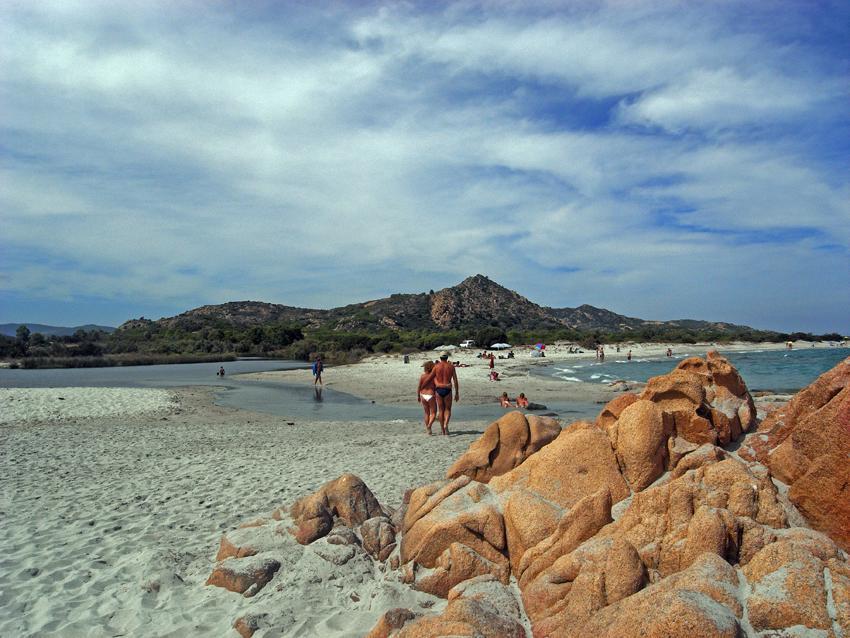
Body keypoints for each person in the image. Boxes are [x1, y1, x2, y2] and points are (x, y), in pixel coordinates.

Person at [431, 350, 459, 435]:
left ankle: (442, 430)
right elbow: (455, 380)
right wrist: (457, 393)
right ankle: (446, 424)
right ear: (447, 357)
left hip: (439, 389)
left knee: (441, 410)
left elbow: (431, 378)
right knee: (448, 409)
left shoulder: (436, 367)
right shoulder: (451, 366)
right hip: (447, 389)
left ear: (440, 357)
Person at [417, 361, 437, 435]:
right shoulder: (434, 376)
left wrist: (418, 396)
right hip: (431, 394)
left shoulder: (422, 376)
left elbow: (419, 386)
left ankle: (429, 430)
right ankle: (429, 425)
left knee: (426, 413)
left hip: (423, 394)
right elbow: (436, 386)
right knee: (433, 413)